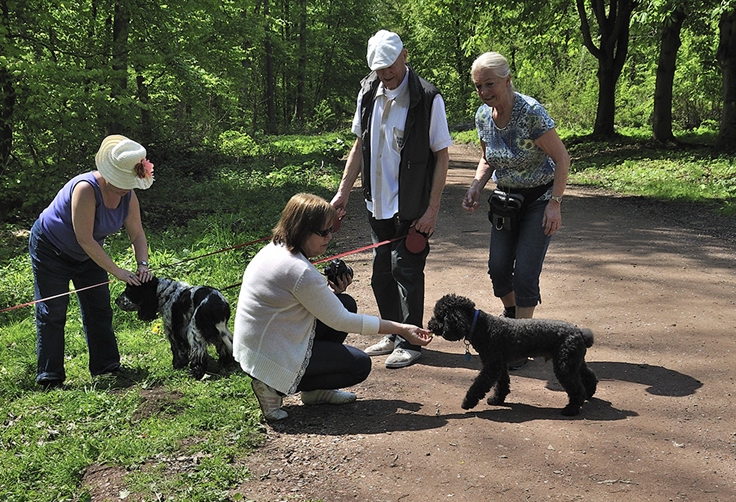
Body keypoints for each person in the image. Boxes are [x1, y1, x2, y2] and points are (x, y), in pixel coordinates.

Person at [233, 193, 433, 422]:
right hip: (266, 359)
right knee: (358, 365)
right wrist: (402, 329)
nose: (330, 236)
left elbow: (308, 302)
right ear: (303, 229)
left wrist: (332, 292)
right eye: (324, 231)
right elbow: (342, 321)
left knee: (345, 301)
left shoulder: (278, 248)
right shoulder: (298, 269)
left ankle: (314, 391)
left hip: (258, 346)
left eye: (332, 229)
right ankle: (272, 387)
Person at [332, 29, 452, 369]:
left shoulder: (428, 98)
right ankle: (392, 331)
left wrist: (432, 210)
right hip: (377, 203)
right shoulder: (368, 91)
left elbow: (442, 156)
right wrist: (343, 192)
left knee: (406, 270)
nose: (386, 76)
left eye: (390, 68)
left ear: (405, 56)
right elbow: (359, 146)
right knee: (381, 272)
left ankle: (411, 341)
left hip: (411, 207)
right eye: (379, 70)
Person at [461, 52, 571, 366]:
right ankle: (512, 316)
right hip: (507, 200)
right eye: (479, 86)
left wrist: (555, 203)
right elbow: (488, 158)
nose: (484, 92)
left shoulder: (531, 113)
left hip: (539, 199)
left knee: (524, 273)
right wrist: (475, 185)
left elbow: (562, 159)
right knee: (498, 270)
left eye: (490, 84)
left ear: (507, 80)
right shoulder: (483, 116)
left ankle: (520, 340)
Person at [29, 135, 155, 388]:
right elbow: (84, 238)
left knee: (99, 307)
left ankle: (106, 367)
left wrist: (142, 265)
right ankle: (50, 375)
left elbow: (137, 233)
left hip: (89, 254)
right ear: (108, 173)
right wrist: (117, 271)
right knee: (52, 310)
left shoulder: (128, 196)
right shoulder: (86, 189)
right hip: (51, 249)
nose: (125, 188)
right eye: (122, 183)